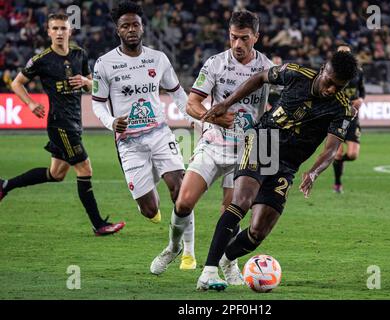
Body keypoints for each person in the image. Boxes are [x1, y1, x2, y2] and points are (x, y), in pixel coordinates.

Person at [197, 50, 358, 290]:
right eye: (330, 82)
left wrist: (313, 172)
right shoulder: (295, 73)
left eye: (339, 86)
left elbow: (331, 149)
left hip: (288, 165)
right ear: (323, 68)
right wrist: (226, 103)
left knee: (258, 231)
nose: (332, 89)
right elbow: (260, 77)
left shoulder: (342, 109)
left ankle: (226, 260)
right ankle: (208, 272)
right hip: (264, 140)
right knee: (241, 201)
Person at [150, 10, 273, 281]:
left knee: (231, 211)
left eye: (244, 38)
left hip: (246, 151)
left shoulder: (267, 67)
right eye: (233, 37)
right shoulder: (215, 64)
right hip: (213, 144)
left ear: (256, 37)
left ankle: (228, 264)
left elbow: (275, 106)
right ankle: (173, 247)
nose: (237, 44)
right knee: (183, 203)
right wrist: (214, 115)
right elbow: (192, 103)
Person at [0, 13, 125, 236]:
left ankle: (5, 186)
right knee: (85, 168)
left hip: (75, 121)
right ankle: (99, 225)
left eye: (63, 28)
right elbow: (17, 83)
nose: (59, 32)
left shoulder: (80, 54)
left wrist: (86, 82)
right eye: (55, 28)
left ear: (70, 31)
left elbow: (93, 86)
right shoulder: (42, 60)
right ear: (48, 32)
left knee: (56, 174)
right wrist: (29, 104)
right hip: (60, 125)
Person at [91, 2, 191, 239]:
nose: (131, 29)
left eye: (135, 24)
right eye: (125, 26)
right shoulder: (104, 63)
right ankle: (148, 190)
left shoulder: (158, 58)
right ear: (118, 30)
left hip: (159, 133)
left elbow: (177, 93)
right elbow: (97, 103)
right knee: (150, 210)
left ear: (143, 27)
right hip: (129, 142)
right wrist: (112, 122)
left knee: (180, 188)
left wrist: (194, 119)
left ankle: (180, 244)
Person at [332, 44, 365, 193]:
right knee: (338, 152)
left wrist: (361, 100)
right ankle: (338, 183)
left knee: (352, 155)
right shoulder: (330, 72)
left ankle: (337, 161)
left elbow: (362, 90)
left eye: (346, 53)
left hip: (352, 117)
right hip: (337, 116)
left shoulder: (358, 72)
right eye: (341, 53)